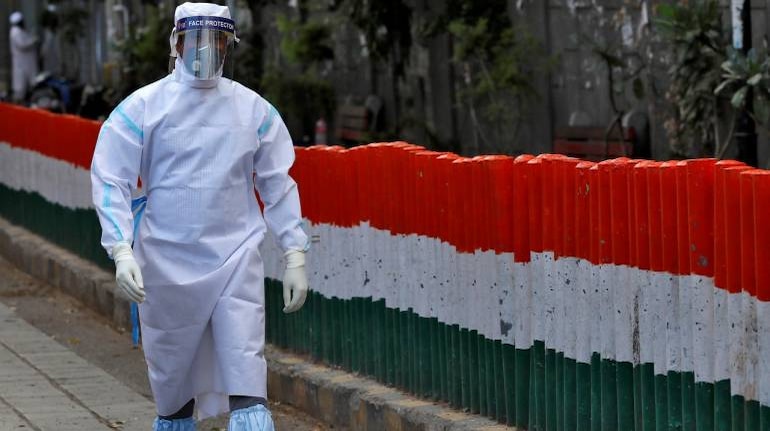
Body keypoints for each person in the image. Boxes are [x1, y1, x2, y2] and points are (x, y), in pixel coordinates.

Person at [90, 3, 310, 430]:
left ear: (229, 46)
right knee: (173, 389)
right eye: (197, 40)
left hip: (235, 258)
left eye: (217, 41)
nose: (206, 50)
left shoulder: (254, 112)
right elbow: (109, 177)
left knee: (246, 373)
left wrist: (294, 251)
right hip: (165, 264)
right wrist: (120, 248)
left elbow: (277, 184)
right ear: (176, 43)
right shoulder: (142, 108)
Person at [9, 11, 39, 103]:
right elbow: (22, 45)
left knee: (30, 83)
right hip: (21, 64)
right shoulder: (15, 32)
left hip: (27, 63)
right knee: (20, 86)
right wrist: (34, 40)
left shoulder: (20, 31)